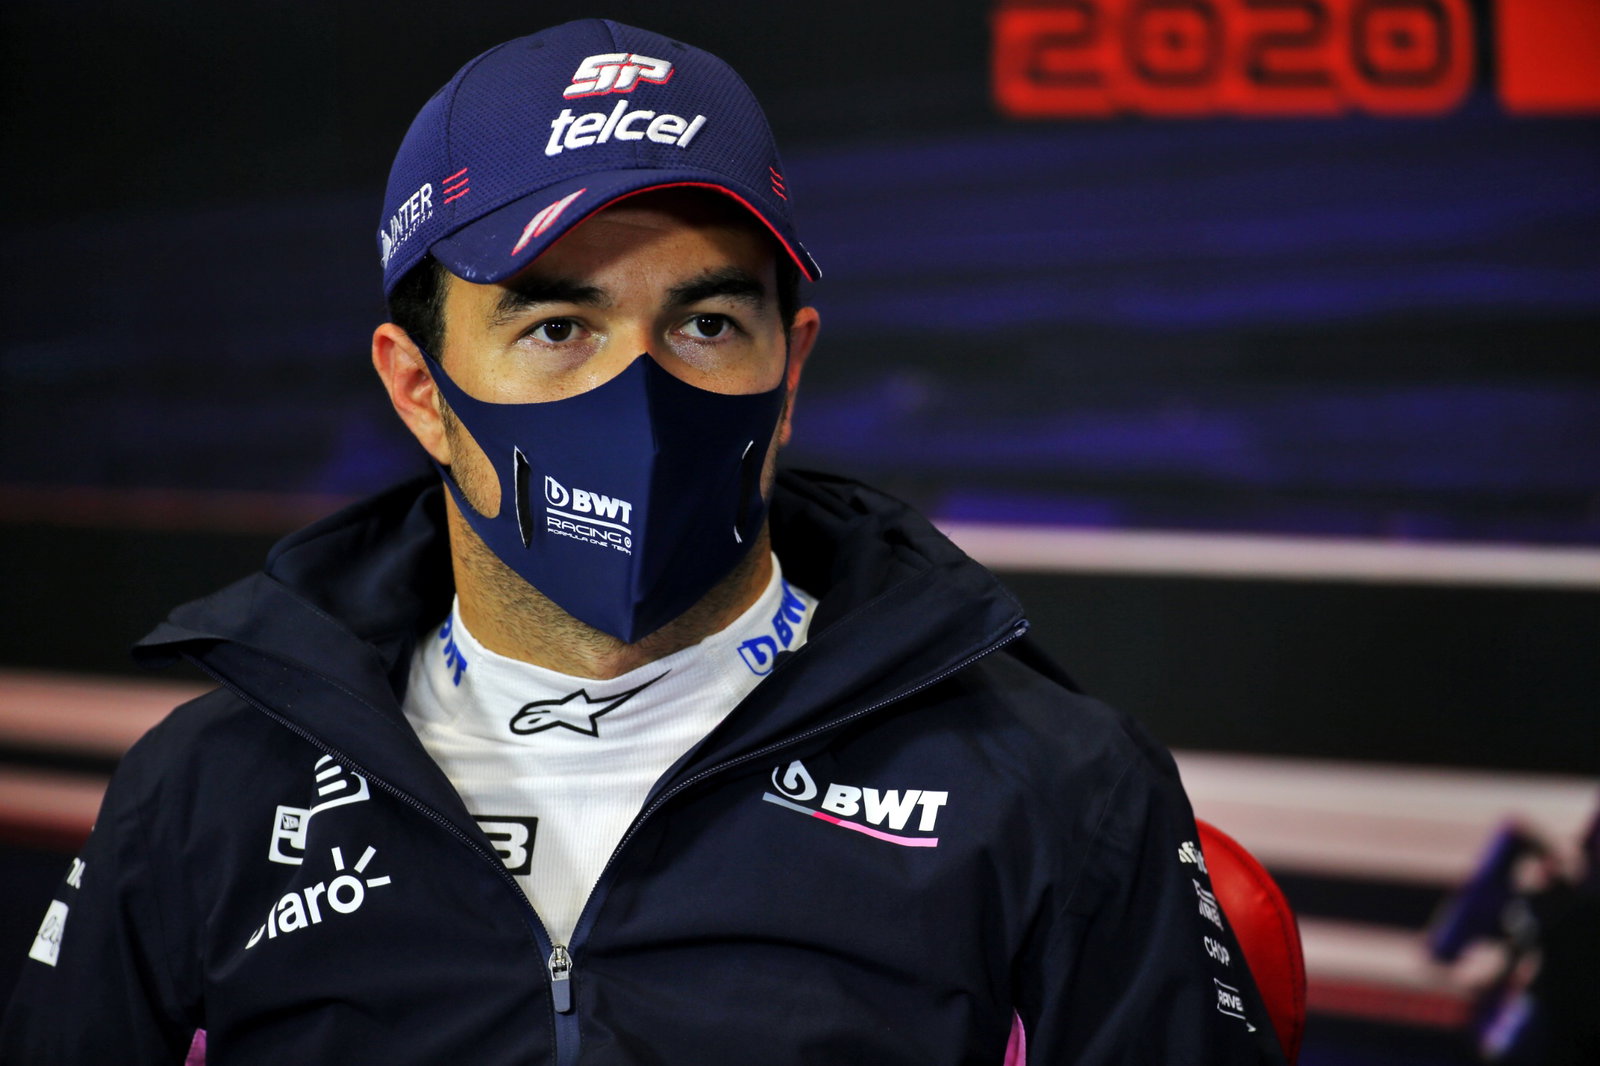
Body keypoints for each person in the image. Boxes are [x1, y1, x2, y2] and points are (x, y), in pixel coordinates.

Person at [2, 19, 1287, 1065]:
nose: (642, 390)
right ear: (418, 390)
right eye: (557, 327)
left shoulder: (1054, 786)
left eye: (708, 323)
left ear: (790, 377)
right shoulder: (206, 795)